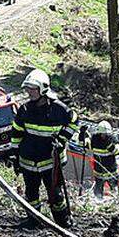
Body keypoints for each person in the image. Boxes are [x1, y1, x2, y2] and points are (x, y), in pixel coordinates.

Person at [9, 68, 78, 227]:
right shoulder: (24, 110)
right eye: (27, 88)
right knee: (31, 193)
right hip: (28, 162)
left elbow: (74, 121)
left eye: (32, 89)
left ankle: (62, 222)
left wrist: (62, 139)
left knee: (56, 194)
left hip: (51, 163)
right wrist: (14, 156)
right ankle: (34, 221)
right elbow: (16, 133)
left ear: (43, 89)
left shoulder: (59, 109)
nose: (29, 92)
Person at [88, 121, 119, 199]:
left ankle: (115, 202)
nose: (104, 136)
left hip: (111, 172)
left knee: (115, 192)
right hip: (98, 172)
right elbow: (87, 146)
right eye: (102, 134)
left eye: (106, 134)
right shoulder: (94, 139)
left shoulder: (112, 138)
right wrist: (83, 137)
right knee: (98, 194)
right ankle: (99, 202)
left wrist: (110, 146)